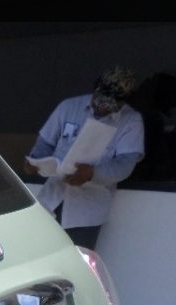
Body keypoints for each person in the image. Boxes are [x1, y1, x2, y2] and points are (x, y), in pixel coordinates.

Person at [25, 67, 145, 251]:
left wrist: (92, 173)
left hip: (86, 212)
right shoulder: (69, 107)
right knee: (35, 254)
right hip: (50, 200)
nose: (102, 107)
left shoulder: (131, 121)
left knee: (77, 264)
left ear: (123, 102)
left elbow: (125, 165)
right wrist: (34, 162)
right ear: (95, 89)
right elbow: (44, 144)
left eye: (109, 105)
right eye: (99, 102)